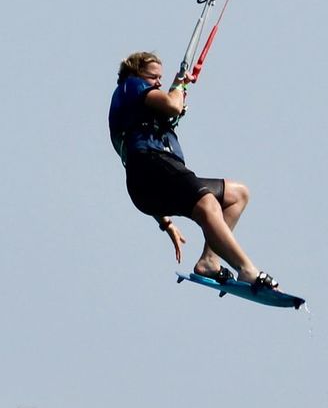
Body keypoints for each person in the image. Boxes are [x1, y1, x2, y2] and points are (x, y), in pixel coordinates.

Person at [108, 51, 279, 292]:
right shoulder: (131, 86)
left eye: (161, 78)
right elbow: (172, 105)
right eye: (153, 77)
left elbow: (147, 184)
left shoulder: (139, 111)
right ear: (137, 74)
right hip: (152, 168)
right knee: (206, 204)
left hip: (152, 183)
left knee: (237, 195)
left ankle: (209, 261)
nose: (158, 82)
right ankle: (248, 270)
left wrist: (166, 224)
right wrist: (178, 85)